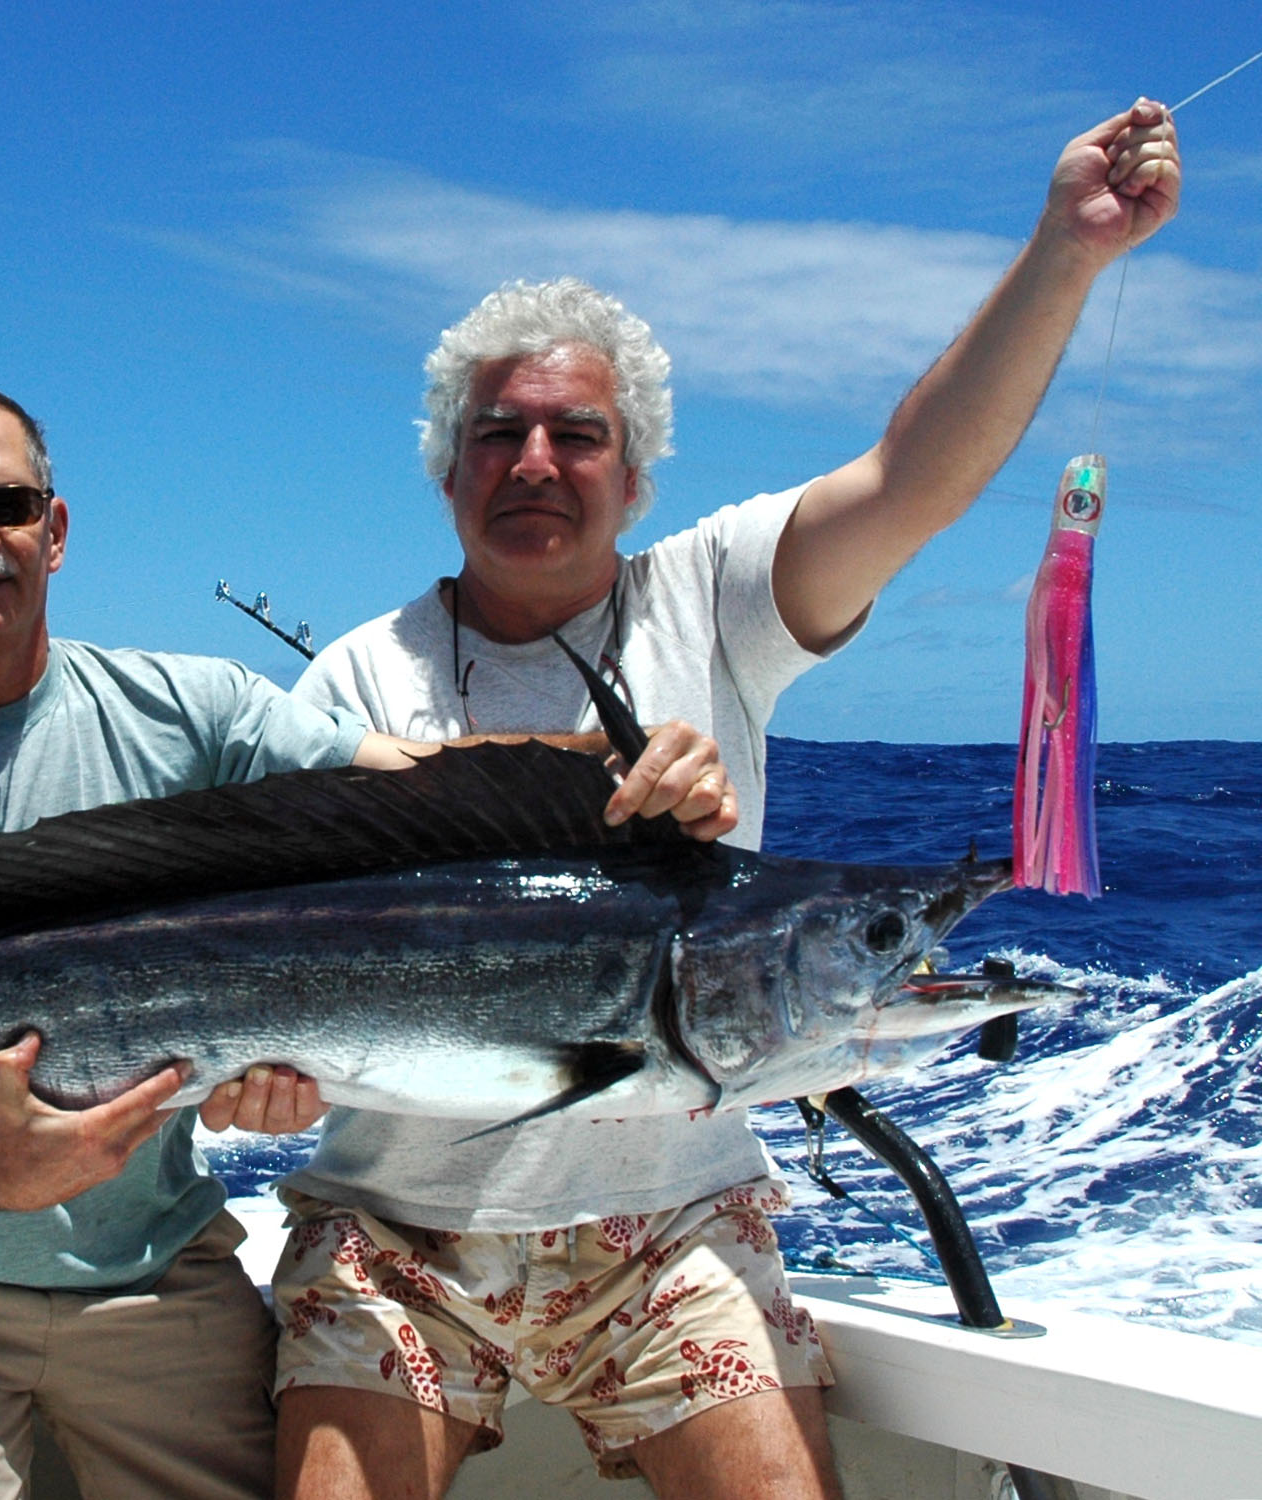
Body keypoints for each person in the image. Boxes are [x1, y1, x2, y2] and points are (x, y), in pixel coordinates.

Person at [273, 101, 1181, 1500]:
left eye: (576, 435)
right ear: (448, 471)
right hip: (397, 1229)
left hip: (671, 1224)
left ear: (634, 475)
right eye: (498, 435)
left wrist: (1066, 251)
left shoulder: (718, 595)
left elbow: (914, 479)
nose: (534, 463)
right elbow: (277, 954)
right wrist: (252, 1079)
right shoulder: (352, 676)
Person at [0, 380, 738, 1500]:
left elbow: (407, 787)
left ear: (52, 534)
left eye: (7, 504)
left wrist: (610, 768)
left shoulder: (189, 709)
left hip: (156, 1271)